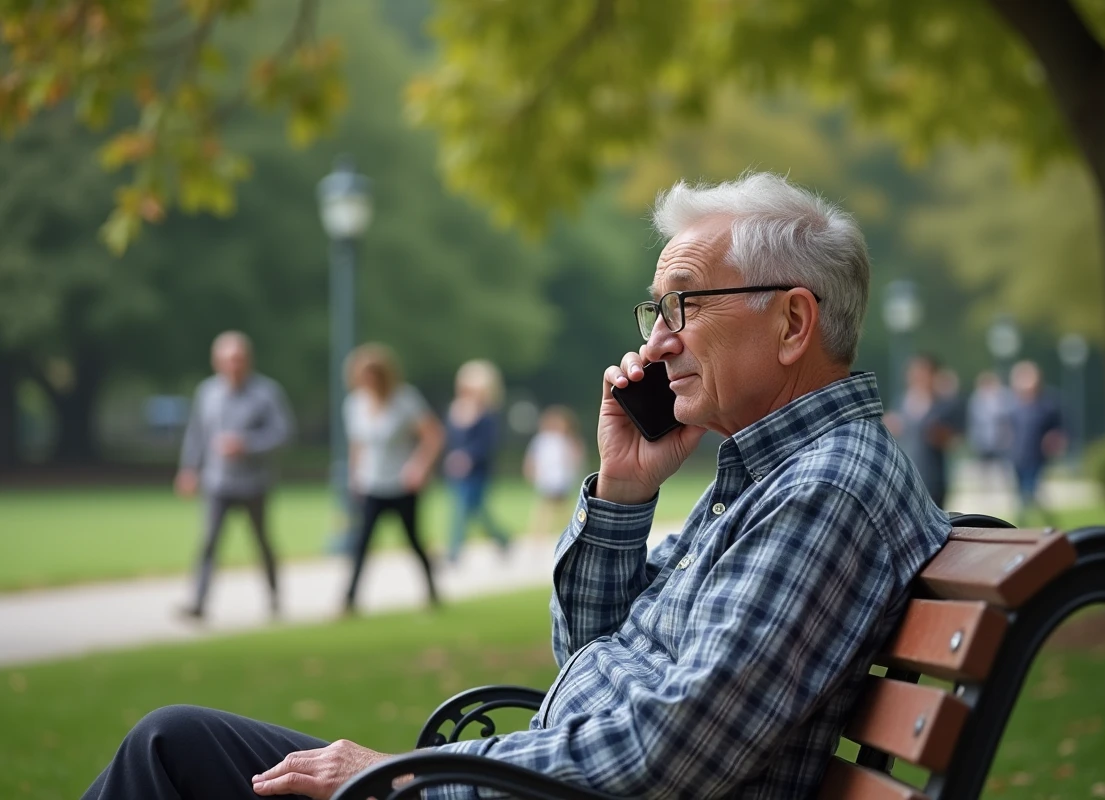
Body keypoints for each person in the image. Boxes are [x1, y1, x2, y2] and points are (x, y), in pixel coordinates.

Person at [81, 172, 950, 800]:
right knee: (177, 745)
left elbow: (671, 753)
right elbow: (588, 658)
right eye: (655, 312)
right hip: (521, 783)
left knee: (173, 754)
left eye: (684, 305)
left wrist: (401, 776)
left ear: (793, 321)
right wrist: (620, 493)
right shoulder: (769, 475)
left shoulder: (827, 486)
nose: (656, 346)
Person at [174, 331, 294, 620]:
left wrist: (247, 445)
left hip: (255, 482)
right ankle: (199, 602)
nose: (234, 366)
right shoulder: (207, 392)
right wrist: (189, 469)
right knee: (209, 542)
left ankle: (275, 597)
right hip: (217, 482)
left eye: (239, 360)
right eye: (228, 360)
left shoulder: (267, 393)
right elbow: (197, 435)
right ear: (217, 362)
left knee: (261, 541)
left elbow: (284, 434)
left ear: (249, 360)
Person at [342, 343, 444, 614]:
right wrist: (354, 477)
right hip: (371, 483)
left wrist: (419, 467)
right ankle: (349, 598)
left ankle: (432, 591)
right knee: (361, 543)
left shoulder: (404, 399)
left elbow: (433, 435)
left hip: (401, 484)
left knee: (412, 540)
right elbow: (357, 445)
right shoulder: (354, 404)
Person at [443, 359, 510, 564]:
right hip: (457, 471)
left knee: (465, 509)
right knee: (473, 510)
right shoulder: (456, 410)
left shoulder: (487, 415)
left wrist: (468, 457)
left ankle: (453, 552)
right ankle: (502, 539)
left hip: (478, 471)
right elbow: (451, 439)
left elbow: (487, 444)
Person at [883, 353, 961, 508]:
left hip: (932, 478)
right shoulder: (901, 403)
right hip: (904, 476)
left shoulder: (943, 406)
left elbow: (953, 440)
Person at [1007, 360, 1067, 525]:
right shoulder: (1015, 406)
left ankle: (1025, 521)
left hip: (1036, 455)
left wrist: (1054, 441)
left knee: (1029, 491)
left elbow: (1059, 430)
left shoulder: (1047, 405)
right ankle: (1043, 520)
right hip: (1018, 455)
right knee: (1024, 492)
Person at [522, 404, 585, 538]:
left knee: (559, 506)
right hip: (548, 477)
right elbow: (533, 457)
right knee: (546, 507)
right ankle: (539, 533)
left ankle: (570, 530)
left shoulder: (566, 440)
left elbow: (574, 457)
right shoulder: (543, 440)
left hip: (560, 477)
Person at [966, 369, 1015, 492]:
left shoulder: (1003, 396)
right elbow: (975, 418)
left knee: (1003, 463)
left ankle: (1005, 485)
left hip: (1000, 437)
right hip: (983, 437)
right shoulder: (977, 398)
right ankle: (986, 486)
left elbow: (1008, 414)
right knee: (984, 464)